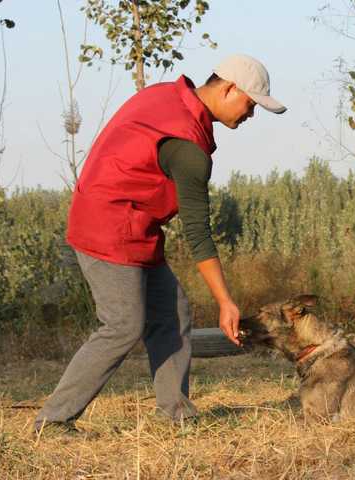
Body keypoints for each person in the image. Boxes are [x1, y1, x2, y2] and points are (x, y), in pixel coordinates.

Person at [34, 54, 286, 434]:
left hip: (134, 226)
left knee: (173, 314)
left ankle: (176, 414)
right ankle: (52, 421)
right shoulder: (187, 147)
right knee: (122, 324)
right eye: (250, 104)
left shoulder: (166, 97)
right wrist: (225, 301)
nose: (251, 115)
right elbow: (198, 233)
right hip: (108, 226)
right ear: (229, 88)